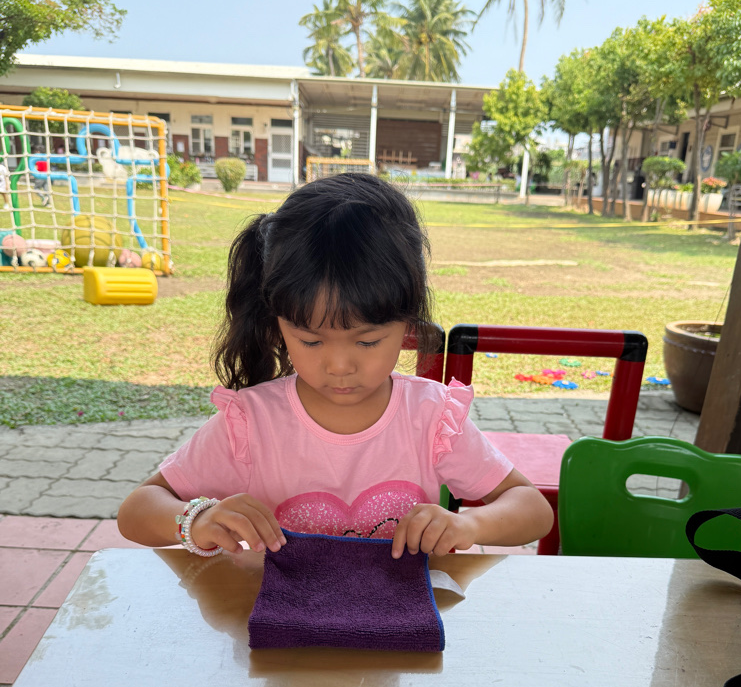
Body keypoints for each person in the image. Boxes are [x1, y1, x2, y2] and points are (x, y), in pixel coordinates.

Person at [118, 173, 553, 559]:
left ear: (407, 322)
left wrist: (468, 524)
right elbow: (137, 511)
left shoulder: (430, 417)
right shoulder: (251, 424)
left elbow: (532, 510)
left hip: (397, 619)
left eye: (367, 341)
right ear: (277, 324)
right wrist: (195, 518)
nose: (340, 366)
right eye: (310, 340)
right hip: (284, 619)